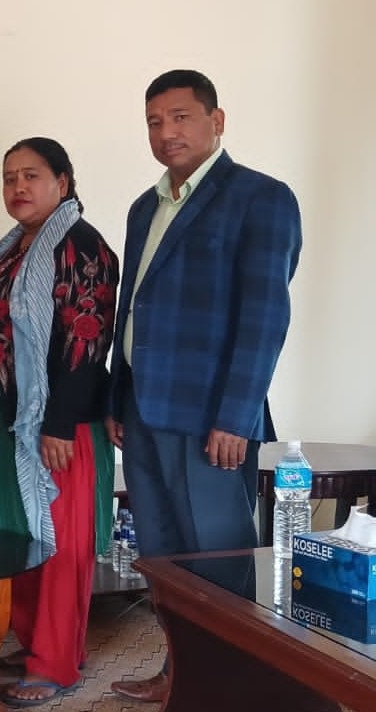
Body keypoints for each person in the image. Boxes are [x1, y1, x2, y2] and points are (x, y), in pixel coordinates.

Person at [106, 69, 301, 703]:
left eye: (181, 116)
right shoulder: (145, 207)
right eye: (154, 121)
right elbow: (131, 308)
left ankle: (232, 688)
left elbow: (264, 319)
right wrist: (116, 398)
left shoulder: (261, 198)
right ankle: (181, 675)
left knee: (217, 562)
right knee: (164, 562)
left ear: (217, 121)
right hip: (143, 411)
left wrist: (236, 417)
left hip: (211, 418)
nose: (166, 132)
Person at [0, 138, 119, 706]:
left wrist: (57, 422)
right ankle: (34, 644)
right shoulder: (12, 250)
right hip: (2, 425)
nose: (18, 187)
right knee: (18, 539)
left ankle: (56, 665)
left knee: (58, 547)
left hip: (56, 430)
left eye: (31, 175)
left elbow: (86, 340)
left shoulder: (81, 246)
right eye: (10, 178)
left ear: (63, 182)